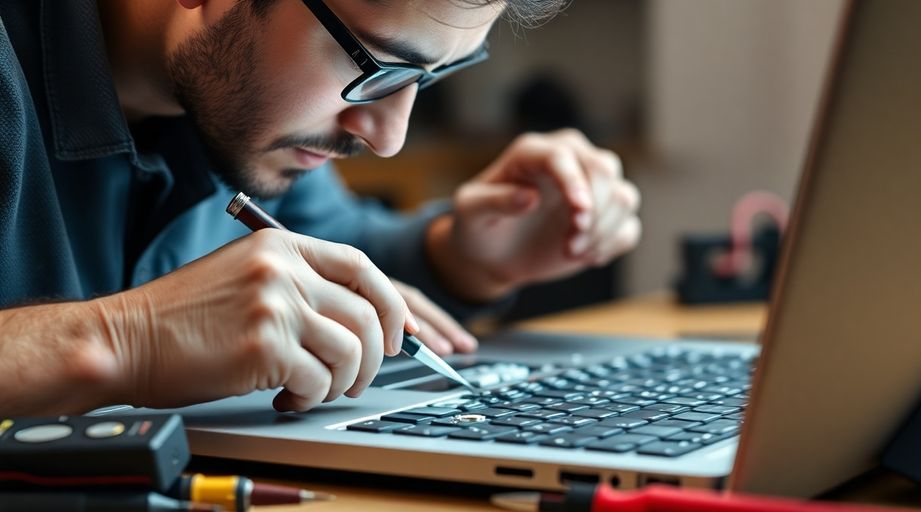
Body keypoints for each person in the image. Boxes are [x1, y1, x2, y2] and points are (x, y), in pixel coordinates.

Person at [0, 0, 641, 416]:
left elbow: (331, 243)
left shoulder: (245, 112)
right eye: (380, 69)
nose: (388, 138)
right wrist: (126, 339)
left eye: (429, 77)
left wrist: (458, 255)